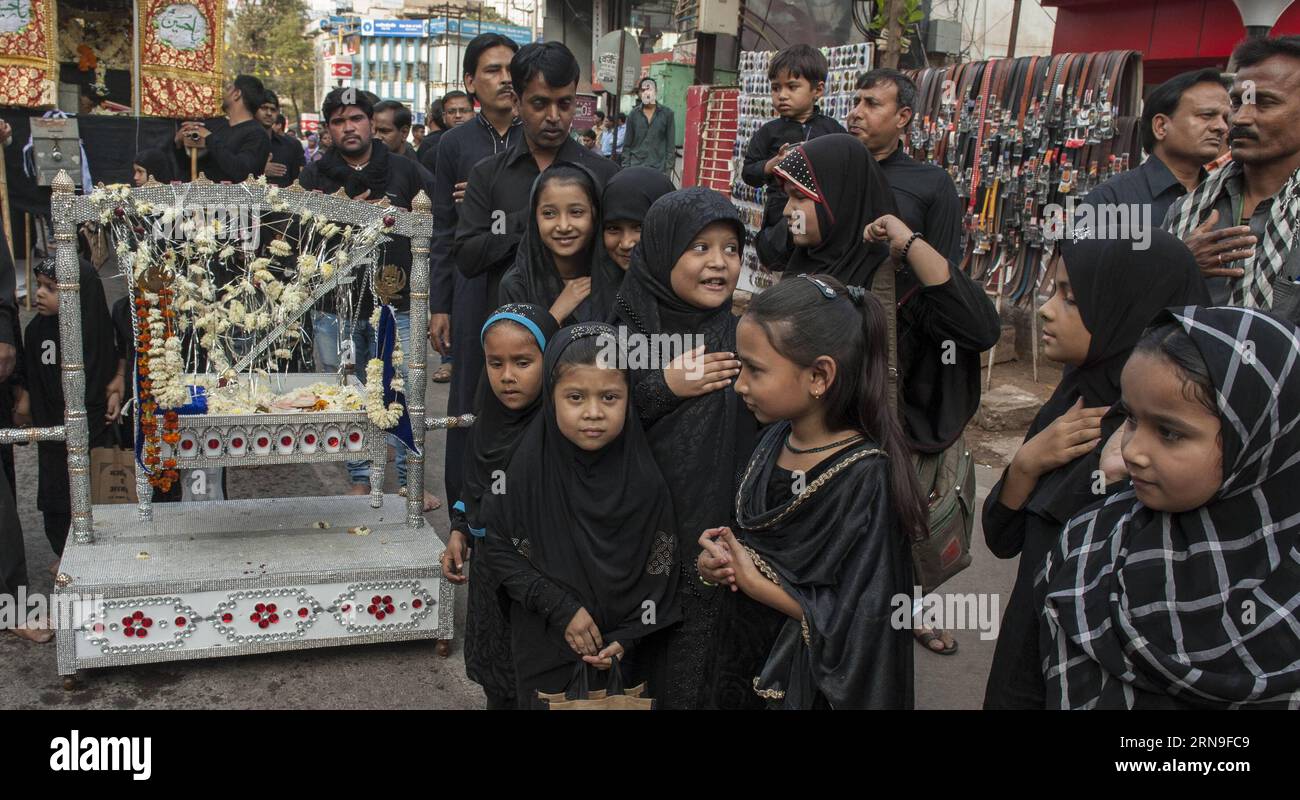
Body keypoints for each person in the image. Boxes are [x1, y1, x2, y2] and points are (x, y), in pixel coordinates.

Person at [776, 134, 1002, 656]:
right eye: (786, 198)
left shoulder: (896, 281)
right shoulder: (805, 271)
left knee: (865, 624)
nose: (788, 213)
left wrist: (907, 243)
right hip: (809, 482)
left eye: (797, 199)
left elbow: (979, 328)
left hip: (871, 488)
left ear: (836, 200)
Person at [980, 229, 1209, 709]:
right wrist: (1025, 464)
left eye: (1071, 298)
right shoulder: (1072, 407)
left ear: (1128, 306)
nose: (1045, 308)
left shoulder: (1168, 451)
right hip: (1026, 658)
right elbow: (1002, 539)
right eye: (1052, 291)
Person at [1040, 305, 1300, 709]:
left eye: (1169, 432)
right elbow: (1019, 687)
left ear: (1257, 439)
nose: (1132, 451)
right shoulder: (1090, 543)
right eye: (1129, 419)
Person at [700, 274, 923, 709]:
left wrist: (757, 584)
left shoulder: (865, 478)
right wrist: (722, 561)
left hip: (805, 687)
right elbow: (758, 548)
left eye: (756, 369)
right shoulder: (774, 438)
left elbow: (867, 621)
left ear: (819, 375)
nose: (740, 383)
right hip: (741, 662)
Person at [479, 322, 681, 708]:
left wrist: (630, 634)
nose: (593, 413)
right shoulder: (525, 473)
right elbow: (500, 547)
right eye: (575, 397)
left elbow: (662, 566)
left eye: (609, 398)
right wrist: (560, 608)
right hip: (546, 642)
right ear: (551, 399)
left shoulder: (644, 482)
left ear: (628, 398)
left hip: (624, 657)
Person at [610, 188, 757, 708]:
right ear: (661, 251)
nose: (719, 262)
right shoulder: (620, 335)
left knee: (697, 677)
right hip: (632, 551)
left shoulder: (751, 341)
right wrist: (660, 387)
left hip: (718, 554)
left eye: (732, 248)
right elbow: (585, 434)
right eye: (699, 247)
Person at [299, 87, 440, 512]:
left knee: (402, 392)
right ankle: (361, 477)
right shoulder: (314, 176)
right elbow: (294, 236)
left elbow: (434, 221)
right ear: (329, 130)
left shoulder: (404, 169)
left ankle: (406, 480)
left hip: (395, 304)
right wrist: (336, 218)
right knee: (351, 394)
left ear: (369, 122)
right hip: (334, 308)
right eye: (339, 121)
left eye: (356, 118)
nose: (349, 127)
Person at [431, 32, 525, 559]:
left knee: (520, 391)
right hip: (470, 288)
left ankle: (516, 513)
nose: (505, 78)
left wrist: (493, 200)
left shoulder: (535, 139)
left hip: (526, 283)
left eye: (512, 68)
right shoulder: (455, 145)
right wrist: (440, 304)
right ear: (471, 82)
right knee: (468, 396)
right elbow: (446, 229)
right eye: (492, 70)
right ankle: (462, 517)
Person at [441, 303, 559, 710]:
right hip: (492, 580)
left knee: (537, 686)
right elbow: (474, 487)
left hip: (541, 582)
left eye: (523, 362)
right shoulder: (488, 420)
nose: (507, 376)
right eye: (496, 363)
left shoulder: (561, 427)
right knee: (500, 687)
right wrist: (459, 529)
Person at [455, 40, 618, 310]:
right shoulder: (488, 175)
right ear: (517, 103)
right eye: (540, 104)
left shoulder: (605, 175)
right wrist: (528, 219)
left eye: (564, 104)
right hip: (510, 333)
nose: (554, 116)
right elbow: (467, 258)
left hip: (587, 336)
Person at [1165, 36, 1300, 316]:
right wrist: (1177, 262)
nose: (1239, 119)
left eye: (1264, 103)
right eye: (1237, 102)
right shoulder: (1188, 210)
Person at [14, 258, 117, 578]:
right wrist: (24, 401)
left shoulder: (96, 329)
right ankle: (64, 551)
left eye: (51, 289)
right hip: (51, 430)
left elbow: (112, 364)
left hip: (94, 428)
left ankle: (97, 553)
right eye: (40, 286)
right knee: (57, 498)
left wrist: (115, 388)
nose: (40, 295)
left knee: (96, 492)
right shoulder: (36, 330)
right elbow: (29, 370)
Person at [741, 44, 846, 270]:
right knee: (785, 270)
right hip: (780, 217)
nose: (782, 96)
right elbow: (748, 173)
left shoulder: (833, 130)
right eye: (776, 88)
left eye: (792, 87)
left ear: (817, 90)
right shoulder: (768, 132)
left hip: (822, 221)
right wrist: (769, 166)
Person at [1082, 69, 1230, 227]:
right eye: (1207, 115)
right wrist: (1177, 251)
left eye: (1226, 118)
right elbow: (1077, 243)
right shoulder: (1110, 197)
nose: (1221, 126)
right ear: (1161, 126)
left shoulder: (1224, 196)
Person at [847, 69, 964, 266]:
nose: (855, 113)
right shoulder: (832, 172)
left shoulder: (933, 183)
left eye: (871, 104)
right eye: (856, 102)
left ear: (902, 117)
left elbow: (945, 268)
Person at [499, 166, 603, 324]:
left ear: (595, 215)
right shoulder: (517, 285)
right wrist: (555, 315)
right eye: (549, 213)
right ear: (534, 218)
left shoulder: (611, 276)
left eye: (576, 212)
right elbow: (513, 347)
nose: (563, 226)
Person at [590, 166, 675, 316]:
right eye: (613, 228)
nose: (626, 243)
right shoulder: (588, 294)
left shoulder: (697, 298)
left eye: (640, 227)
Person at [172, 74, 271, 183]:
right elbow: (191, 169)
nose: (223, 95)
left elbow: (242, 172)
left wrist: (209, 137)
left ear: (237, 94)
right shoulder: (216, 127)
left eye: (229, 89)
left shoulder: (257, 135)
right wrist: (179, 144)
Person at [622, 77, 676, 178]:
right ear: (639, 93)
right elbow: (627, 145)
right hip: (635, 168)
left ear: (655, 91)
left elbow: (670, 146)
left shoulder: (667, 114)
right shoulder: (633, 115)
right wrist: (626, 168)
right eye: (643, 90)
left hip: (658, 170)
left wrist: (667, 170)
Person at [257, 90, 306, 187]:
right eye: (264, 108)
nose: (269, 113)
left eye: (273, 109)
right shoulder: (241, 142)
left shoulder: (292, 145)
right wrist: (260, 170)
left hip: (283, 201)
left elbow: (297, 184)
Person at [419, 91, 473, 176]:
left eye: (464, 111)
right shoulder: (433, 155)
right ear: (444, 117)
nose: (458, 115)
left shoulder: (487, 147)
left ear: (473, 115)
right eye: (452, 112)